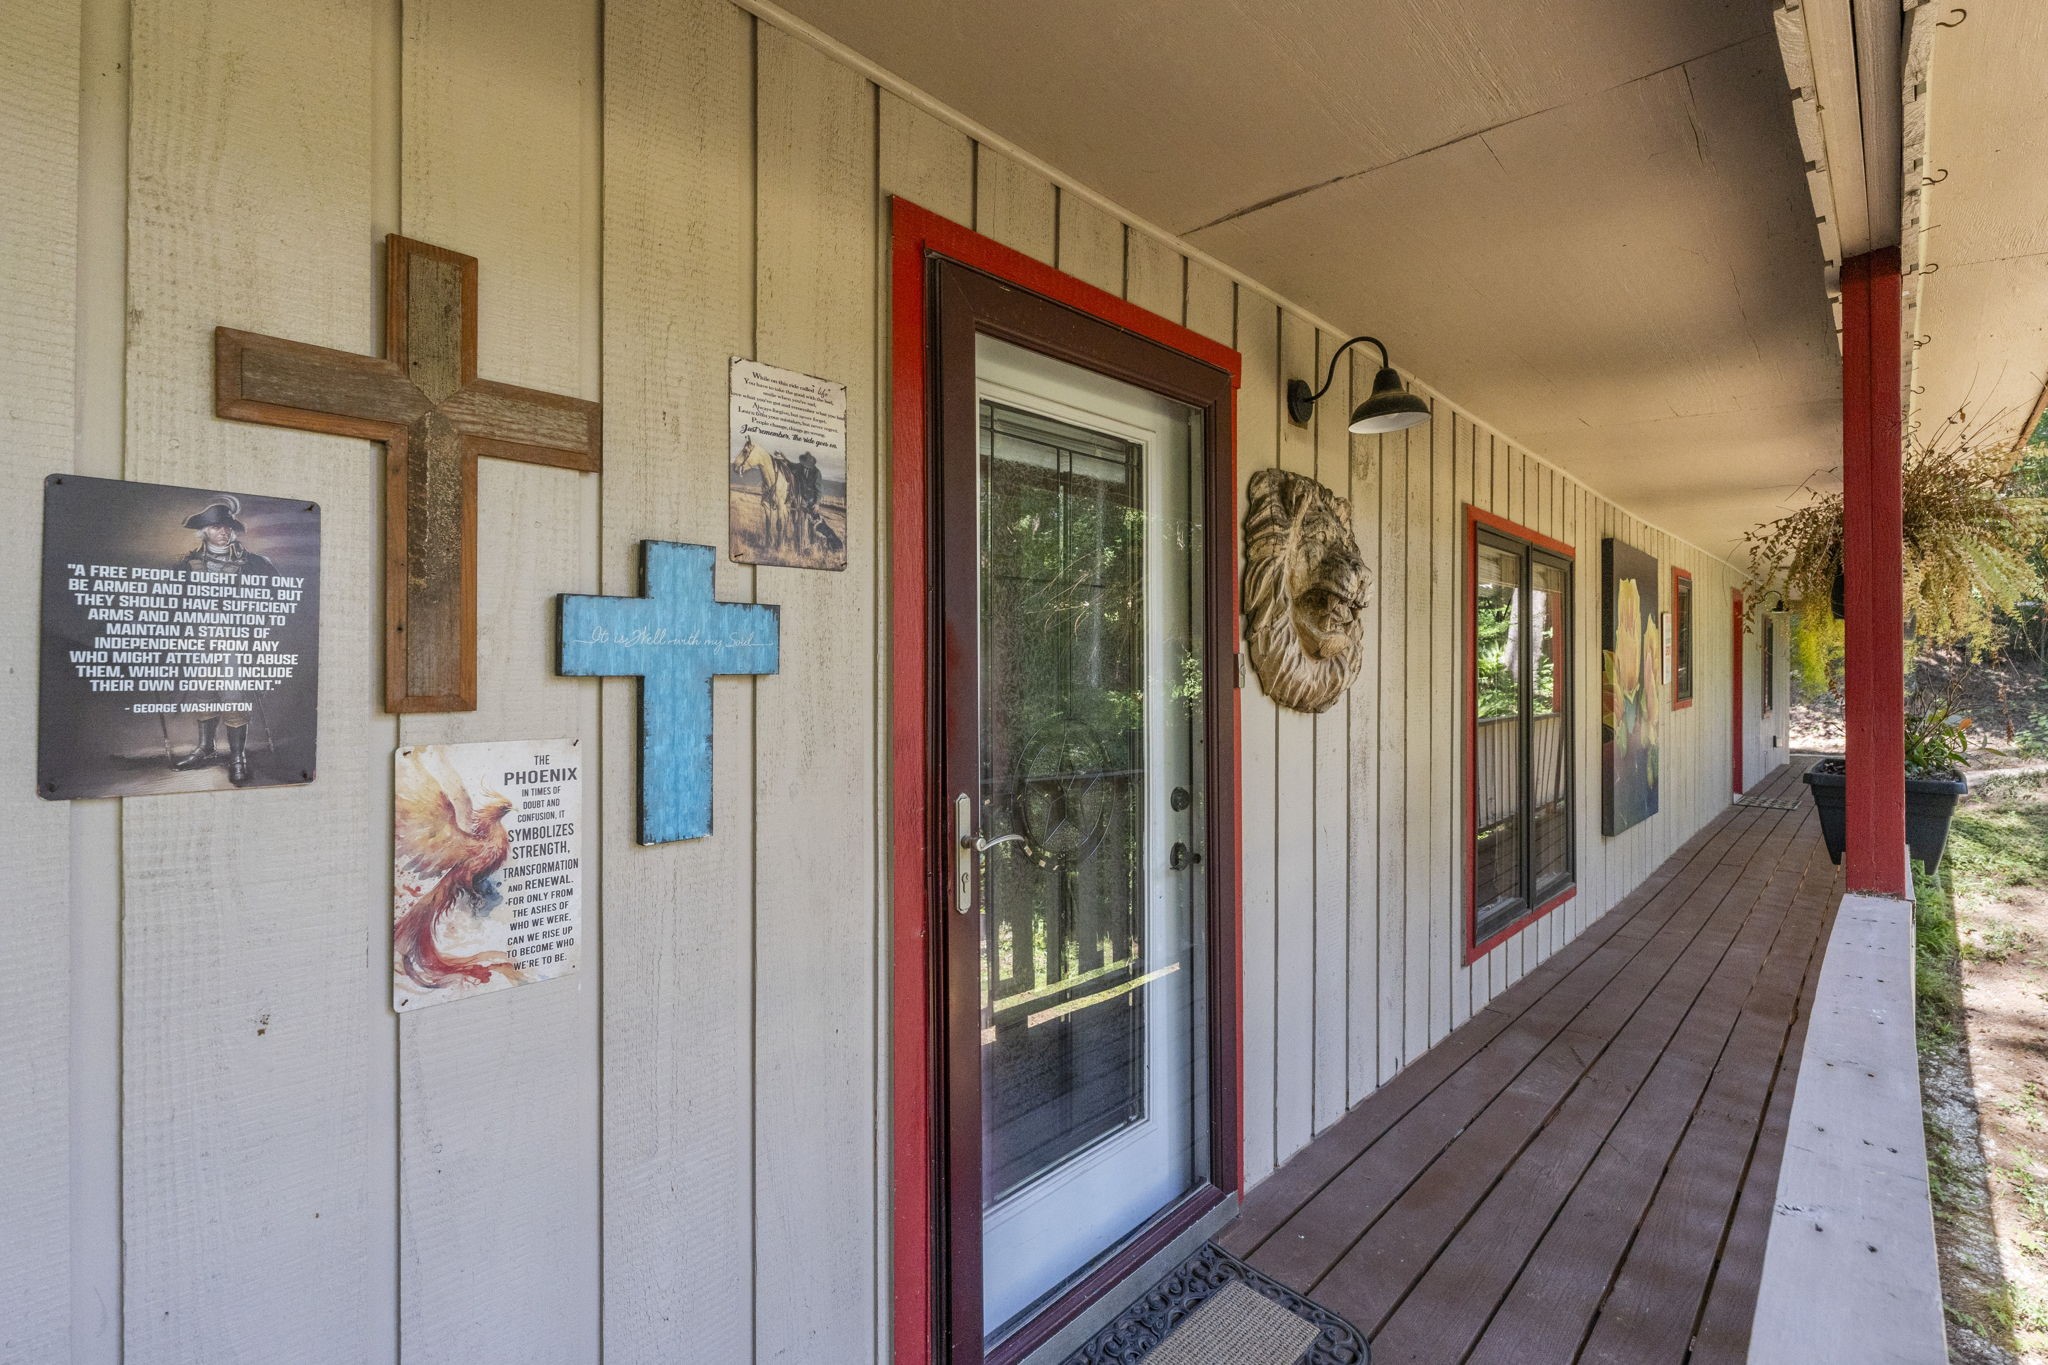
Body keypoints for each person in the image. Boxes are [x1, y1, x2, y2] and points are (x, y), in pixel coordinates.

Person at [172, 495, 275, 786]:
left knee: (233, 696)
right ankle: (205, 748)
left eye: (228, 527)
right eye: (217, 527)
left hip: (235, 641)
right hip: (199, 640)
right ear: (204, 531)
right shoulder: (186, 564)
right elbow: (172, 603)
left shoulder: (254, 563)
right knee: (203, 693)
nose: (224, 532)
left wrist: (250, 616)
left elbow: (278, 598)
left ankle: (238, 757)